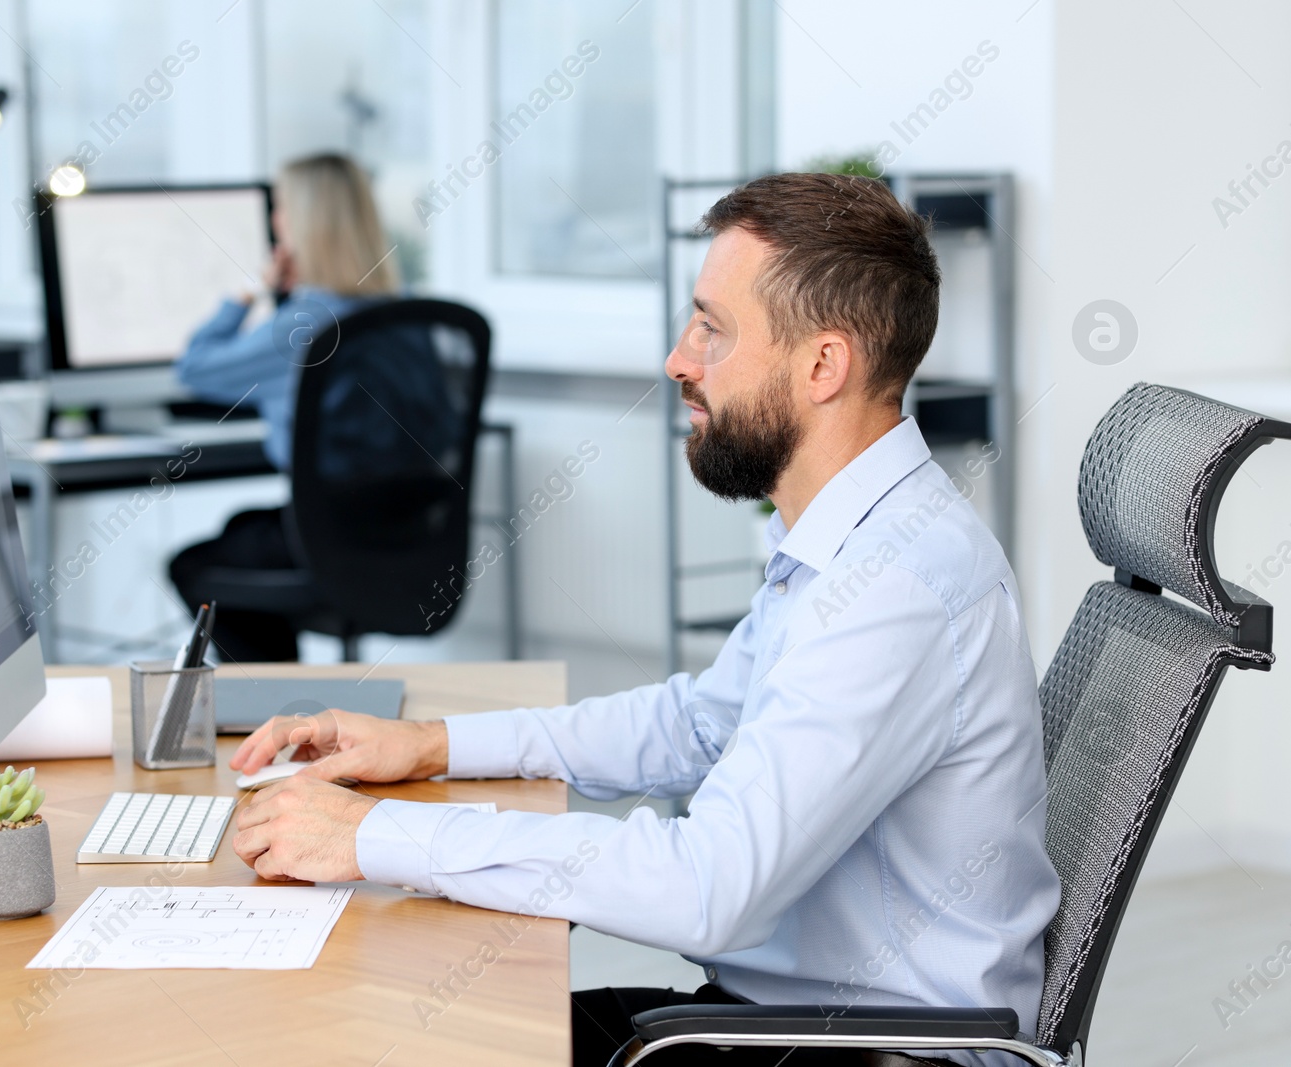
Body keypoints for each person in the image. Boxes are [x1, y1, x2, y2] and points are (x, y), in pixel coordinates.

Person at [223, 173, 1061, 1067]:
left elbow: (709, 886)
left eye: (713, 327)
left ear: (824, 365)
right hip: (783, 1020)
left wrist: (371, 835)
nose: (679, 360)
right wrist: (430, 745)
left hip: (875, 1053)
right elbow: (700, 723)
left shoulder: (895, 584)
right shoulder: (845, 536)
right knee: (414, 1013)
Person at [169, 153, 401, 662]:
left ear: (298, 226)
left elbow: (194, 368)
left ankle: (280, 708)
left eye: (280, 209)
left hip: (331, 540)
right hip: (403, 541)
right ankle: (288, 705)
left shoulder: (303, 324)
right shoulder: (400, 318)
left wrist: (249, 292)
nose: (273, 220)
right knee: (242, 530)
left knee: (193, 568)